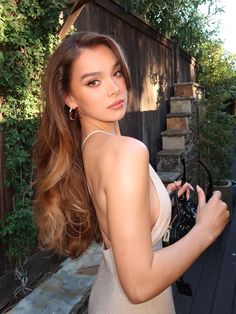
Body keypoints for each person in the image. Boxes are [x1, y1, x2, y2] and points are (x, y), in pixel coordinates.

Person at [34, 31, 229, 314]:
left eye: (116, 73)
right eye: (93, 82)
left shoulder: (90, 147)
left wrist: (156, 198)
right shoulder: (126, 152)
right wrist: (205, 231)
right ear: (68, 97)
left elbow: (117, 218)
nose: (115, 88)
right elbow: (138, 285)